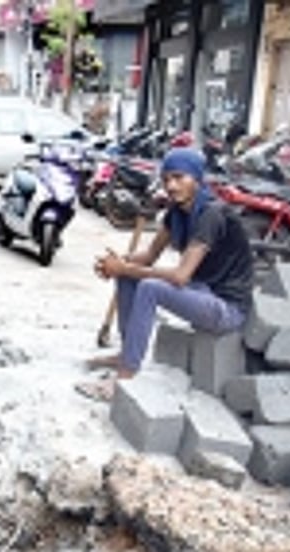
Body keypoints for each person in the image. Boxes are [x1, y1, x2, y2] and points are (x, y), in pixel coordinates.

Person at [79, 147, 255, 400]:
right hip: (200, 291)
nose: (171, 186)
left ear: (197, 179)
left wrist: (125, 267)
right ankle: (126, 353)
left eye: (179, 178)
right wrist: (119, 263)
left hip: (227, 308)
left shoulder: (212, 215)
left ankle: (125, 377)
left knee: (151, 287)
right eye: (166, 179)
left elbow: (180, 276)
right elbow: (149, 256)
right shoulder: (177, 212)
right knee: (129, 276)